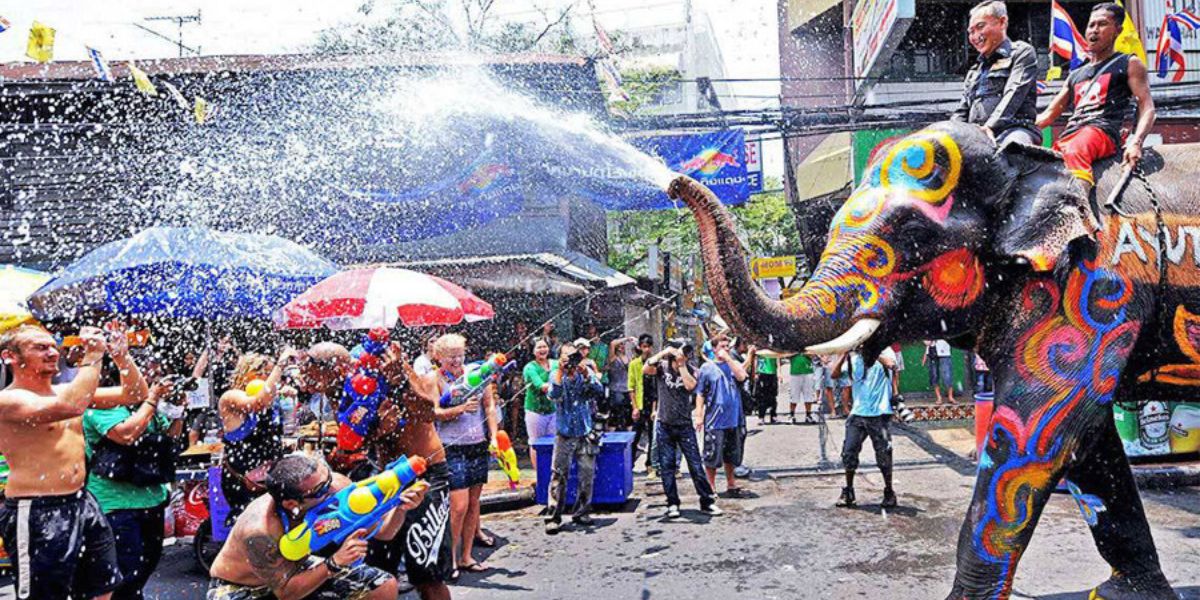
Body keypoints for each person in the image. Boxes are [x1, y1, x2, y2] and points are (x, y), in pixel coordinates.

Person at [0, 323, 149, 600]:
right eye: (40, 347)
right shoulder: (8, 399)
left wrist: (121, 357)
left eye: (53, 346)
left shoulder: (66, 390)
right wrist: (93, 356)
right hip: (37, 509)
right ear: (10, 357)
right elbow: (71, 406)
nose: (52, 352)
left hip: (81, 502)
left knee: (103, 588)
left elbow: (135, 395)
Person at [297, 341, 455, 600]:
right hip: (385, 478)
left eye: (311, 372)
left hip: (424, 474)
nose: (306, 380)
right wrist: (378, 430)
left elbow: (430, 411)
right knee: (379, 570)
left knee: (426, 573)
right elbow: (358, 440)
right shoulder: (339, 392)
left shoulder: (384, 366)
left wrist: (401, 381)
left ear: (334, 367)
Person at [207, 454, 424, 600]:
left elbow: (384, 532)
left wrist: (401, 508)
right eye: (321, 490)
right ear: (292, 504)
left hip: (298, 568)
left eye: (328, 478)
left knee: (382, 586)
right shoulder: (261, 531)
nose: (331, 489)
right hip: (244, 586)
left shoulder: (336, 486)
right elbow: (286, 593)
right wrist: (333, 564)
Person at [83, 362, 188, 600]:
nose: (151, 380)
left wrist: (178, 411)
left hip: (151, 499)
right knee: (124, 576)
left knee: (144, 570)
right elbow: (126, 434)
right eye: (145, 375)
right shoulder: (100, 404)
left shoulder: (144, 406)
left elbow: (170, 439)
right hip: (116, 504)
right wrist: (151, 399)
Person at [1036, 2, 1156, 198]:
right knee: (1045, 165)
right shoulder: (1075, 74)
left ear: (1117, 30)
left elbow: (1147, 106)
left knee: (1076, 150)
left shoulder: (1129, 63)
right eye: (1091, 25)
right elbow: (1048, 116)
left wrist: (1136, 142)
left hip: (1101, 131)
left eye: (1102, 24)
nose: (1094, 30)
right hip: (1071, 134)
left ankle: (1079, 216)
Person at [431, 334, 498, 576]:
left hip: (478, 444)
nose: (458, 360)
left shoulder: (477, 373)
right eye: (451, 357)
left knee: (473, 504)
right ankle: (450, 559)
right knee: (458, 506)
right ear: (439, 357)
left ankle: (467, 556)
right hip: (452, 446)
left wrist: (494, 436)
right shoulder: (436, 378)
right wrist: (459, 409)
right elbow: (435, 412)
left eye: (460, 355)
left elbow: (489, 406)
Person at [643, 344, 721, 518]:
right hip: (664, 424)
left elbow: (690, 386)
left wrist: (682, 366)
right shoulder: (661, 368)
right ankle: (672, 503)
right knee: (667, 466)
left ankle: (706, 501)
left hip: (684, 425)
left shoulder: (692, 370)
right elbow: (645, 368)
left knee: (695, 465)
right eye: (681, 353)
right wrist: (664, 352)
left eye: (686, 354)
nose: (683, 356)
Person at [218, 349, 296, 524]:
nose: (268, 378)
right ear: (248, 373)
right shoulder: (231, 397)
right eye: (263, 373)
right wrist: (280, 365)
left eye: (269, 374)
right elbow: (258, 403)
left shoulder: (270, 396)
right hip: (243, 479)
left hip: (268, 477)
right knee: (252, 527)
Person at [951, 0, 1040, 145]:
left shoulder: (1021, 52)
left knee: (1012, 150)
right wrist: (950, 132)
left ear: (1002, 22)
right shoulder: (974, 71)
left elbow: (1014, 93)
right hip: (976, 136)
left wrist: (990, 126)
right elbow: (962, 111)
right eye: (971, 32)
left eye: (980, 27)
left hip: (1015, 130)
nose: (975, 36)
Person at [544, 342, 604, 534]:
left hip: (585, 431)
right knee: (558, 475)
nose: (571, 360)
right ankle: (553, 516)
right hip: (564, 433)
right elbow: (554, 394)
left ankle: (582, 512)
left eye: (573, 355)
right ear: (560, 358)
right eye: (566, 356)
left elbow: (598, 392)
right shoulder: (555, 374)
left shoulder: (584, 372)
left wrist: (586, 374)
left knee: (586, 475)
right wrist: (561, 372)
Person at [833, 347, 899, 509]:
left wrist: (872, 351)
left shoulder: (885, 352)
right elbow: (834, 374)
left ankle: (889, 491)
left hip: (880, 413)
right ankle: (848, 491)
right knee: (849, 452)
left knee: (883, 454)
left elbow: (892, 365)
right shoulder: (854, 359)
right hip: (858, 413)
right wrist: (844, 354)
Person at [695, 332, 751, 499]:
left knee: (731, 455)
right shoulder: (707, 368)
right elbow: (700, 394)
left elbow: (742, 376)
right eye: (722, 346)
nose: (725, 349)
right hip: (715, 420)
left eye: (727, 346)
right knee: (712, 455)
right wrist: (699, 415)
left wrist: (728, 359)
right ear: (714, 349)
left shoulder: (733, 365)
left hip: (733, 418)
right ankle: (711, 487)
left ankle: (731, 483)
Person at [522, 338, 558, 467]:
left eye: (544, 346)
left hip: (553, 410)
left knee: (554, 442)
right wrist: (559, 386)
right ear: (533, 351)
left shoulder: (555, 364)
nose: (542, 350)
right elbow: (540, 386)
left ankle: (552, 472)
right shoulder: (530, 368)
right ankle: (539, 475)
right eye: (539, 347)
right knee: (536, 443)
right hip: (535, 411)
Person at [629, 334, 659, 475]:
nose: (646, 349)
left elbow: (656, 389)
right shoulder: (634, 364)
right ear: (640, 347)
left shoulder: (656, 363)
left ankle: (651, 464)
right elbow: (631, 387)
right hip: (640, 404)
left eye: (648, 346)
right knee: (636, 435)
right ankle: (629, 463)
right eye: (644, 347)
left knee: (653, 436)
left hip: (652, 403)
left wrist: (655, 409)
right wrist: (634, 407)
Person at [605, 336, 635, 431]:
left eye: (623, 345)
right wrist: (627, 339)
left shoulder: (628, 357)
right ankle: (611, 438)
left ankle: (630, 441)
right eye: (620, 345)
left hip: (627, 389)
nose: (622, 346)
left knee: (629, 416)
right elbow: (612, 343)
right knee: (615, 415)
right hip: (616, 390)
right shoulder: (613, 358)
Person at [787, 352, 819, 424]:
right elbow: (787, 355)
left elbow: (814, 354)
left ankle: (808, 415)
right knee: (794, 395)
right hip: (795, 372)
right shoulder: (792, 346)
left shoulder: (808, 344)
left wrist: (808, 353)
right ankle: (791, 415)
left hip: (808, 371)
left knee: (809, 395)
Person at [750, 348, 779, 425]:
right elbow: (755, 360)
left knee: (773, 396)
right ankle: (761, 417)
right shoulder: (760, 350)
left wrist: (779, 372)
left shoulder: (773, 348)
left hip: (772, 373)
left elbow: (777, 359)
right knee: (762, 397)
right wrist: (755, 373)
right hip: (762, 373)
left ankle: (773, 416)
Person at [923, 339, 956, 405]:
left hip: (944, 352)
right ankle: (939, 398)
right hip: (931, 353)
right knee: (934, 375)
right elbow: (926, 341)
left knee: (947, 375)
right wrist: (925, 355)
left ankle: (950, 397)